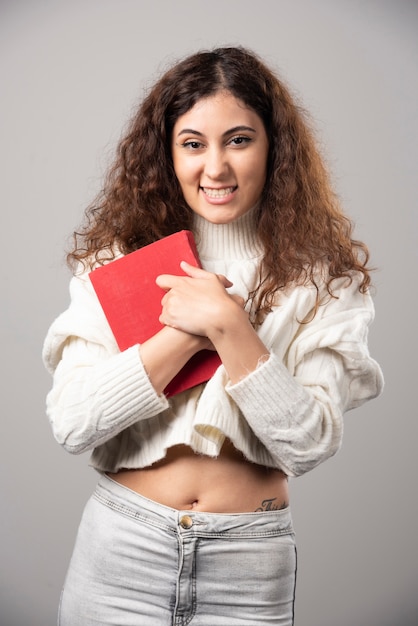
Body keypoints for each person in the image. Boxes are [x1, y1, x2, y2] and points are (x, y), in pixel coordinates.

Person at [42, 46, 384, 626]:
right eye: (194, 143)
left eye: (239, 140)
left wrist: (229, 325)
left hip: (249, 564)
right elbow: (73, 424)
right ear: (168, 155)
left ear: (274, 149)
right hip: (122, 552)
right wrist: (185, 335)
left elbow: (309, 444)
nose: (216, 168)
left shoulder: (325, 278)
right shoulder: (118, 260)